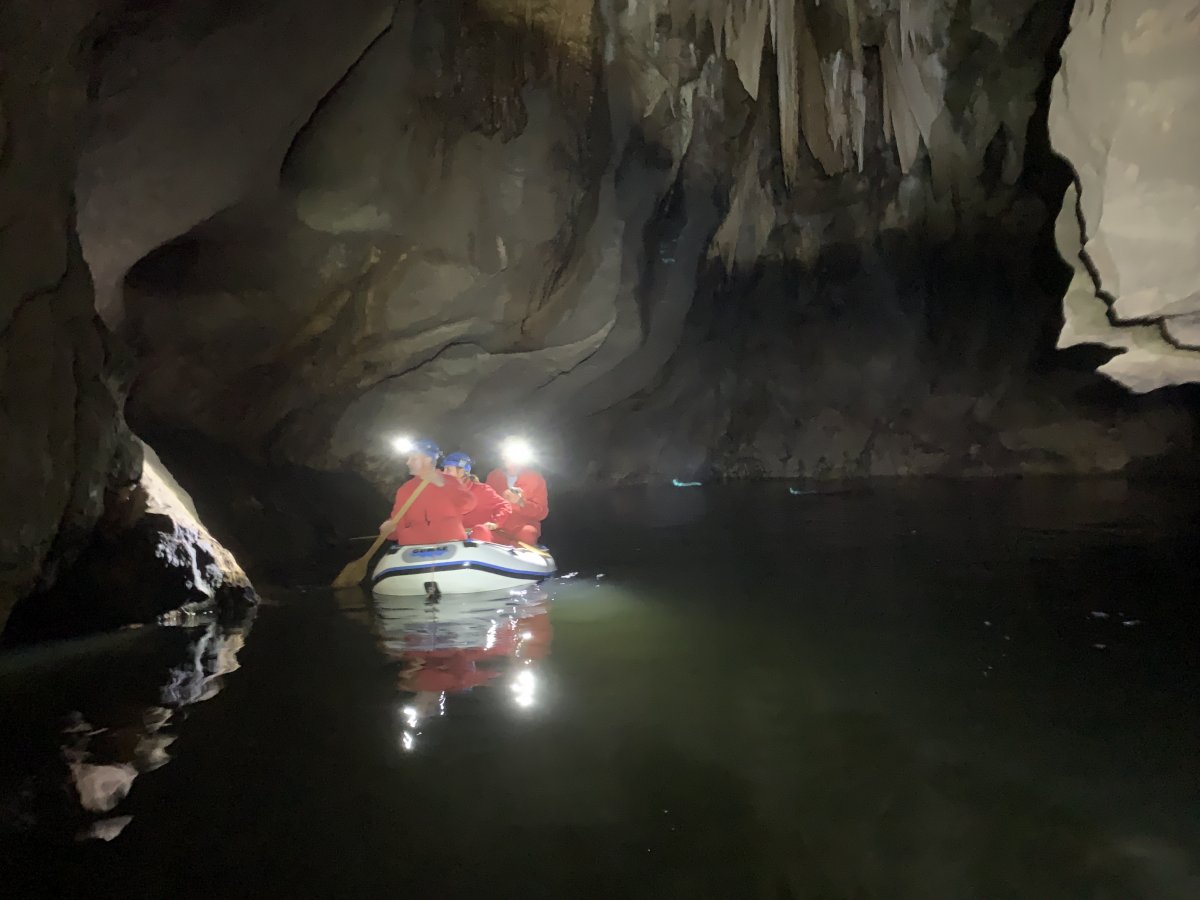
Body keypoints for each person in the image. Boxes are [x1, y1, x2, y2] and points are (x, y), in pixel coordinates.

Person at [380, 438, 475, 545]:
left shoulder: (450, 481)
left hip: (451, 545)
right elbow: (398, 525)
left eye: (413, 458)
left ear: (427, 460)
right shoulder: (406, 489)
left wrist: (445, 486)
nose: (408, 462)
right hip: (415, 549)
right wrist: (389, 529)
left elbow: (468, 504)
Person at [485, 439, 549, 546]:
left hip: (524, 526)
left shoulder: (535, 478)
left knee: (527, 534)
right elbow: (485, 504)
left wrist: (521, 503)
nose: (511, 460)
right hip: (497, 525)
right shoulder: (494, 476)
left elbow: (542, 513)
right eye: (507, 455)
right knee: (481, 532)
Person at [441, 452, 512, 543]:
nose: (444, 473)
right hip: (453, 541)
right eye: (444, 469)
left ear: (462, 472)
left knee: (480, 531)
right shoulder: (442, 493)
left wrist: (496, 523)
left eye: (448, 469)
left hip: (479, 541)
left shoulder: (482, 491)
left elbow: (504, 505)